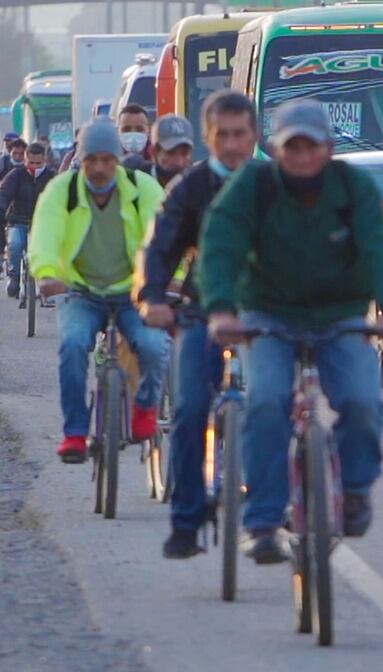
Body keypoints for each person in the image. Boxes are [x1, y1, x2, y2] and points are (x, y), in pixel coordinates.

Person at [197, 99, 383, 563]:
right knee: (268, 400)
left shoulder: (351, 186)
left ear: (328, 148)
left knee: (361, 400)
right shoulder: (252, 186)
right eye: (291, 146)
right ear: (274, 149)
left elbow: (378, 248)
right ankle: (263, 520)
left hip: (340, 315)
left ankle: (354, 489)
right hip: (267, 316)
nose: (301, 156)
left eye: (310, 146)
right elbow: (220, 246)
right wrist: (219, 310)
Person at [137, 90, 260, 559]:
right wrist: (152, 298)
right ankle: (187, 520)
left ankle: (275, 504)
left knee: (276, 407)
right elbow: (161, 247)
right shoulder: (188, 189)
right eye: (222, 135)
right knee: (189, 412)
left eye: (240, 135)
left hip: (263, 315)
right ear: (208, 138)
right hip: (201, 313)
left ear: (254, 136)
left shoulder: (274, 184)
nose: (231, 145)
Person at [29, 120, 168, 462]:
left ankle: (145, 409)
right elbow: (45, 234)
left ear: (118, 160)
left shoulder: (142, 188)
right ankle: (75, 432)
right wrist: (46, 274)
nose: (100, 168)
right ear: (81, 160)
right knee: (73, 345)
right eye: (92, 160)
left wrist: (162, 281)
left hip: (133, 293)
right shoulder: (63, 191)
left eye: (108, 160)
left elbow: (166, 236)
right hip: (81, 291)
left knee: (154, 347)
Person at [0, 141, 54, 299]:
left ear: (45, 161)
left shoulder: (52, 177)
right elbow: (4, 192)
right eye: (31, 163)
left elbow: (62, 199)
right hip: (18, 220)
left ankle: (46, 280)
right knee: (15, 244)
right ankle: (14, 276)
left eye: (38, 163)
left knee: (48, 249)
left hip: (42, 225)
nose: (34, 166)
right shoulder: (16, 175)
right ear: (25, 161)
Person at [0, 137, 27, 279]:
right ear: (10, 152)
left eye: (22, 154)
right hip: (4, 200)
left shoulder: (30, 167)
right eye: (16, 153)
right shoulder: (1, 161)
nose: (19, 157)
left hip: (23, 205)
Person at [125, 113, 194, 189]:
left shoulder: (200, 184)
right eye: (171, 153)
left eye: (184, 153)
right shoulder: (132, 181)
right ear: (153, 152)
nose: (179, 162)